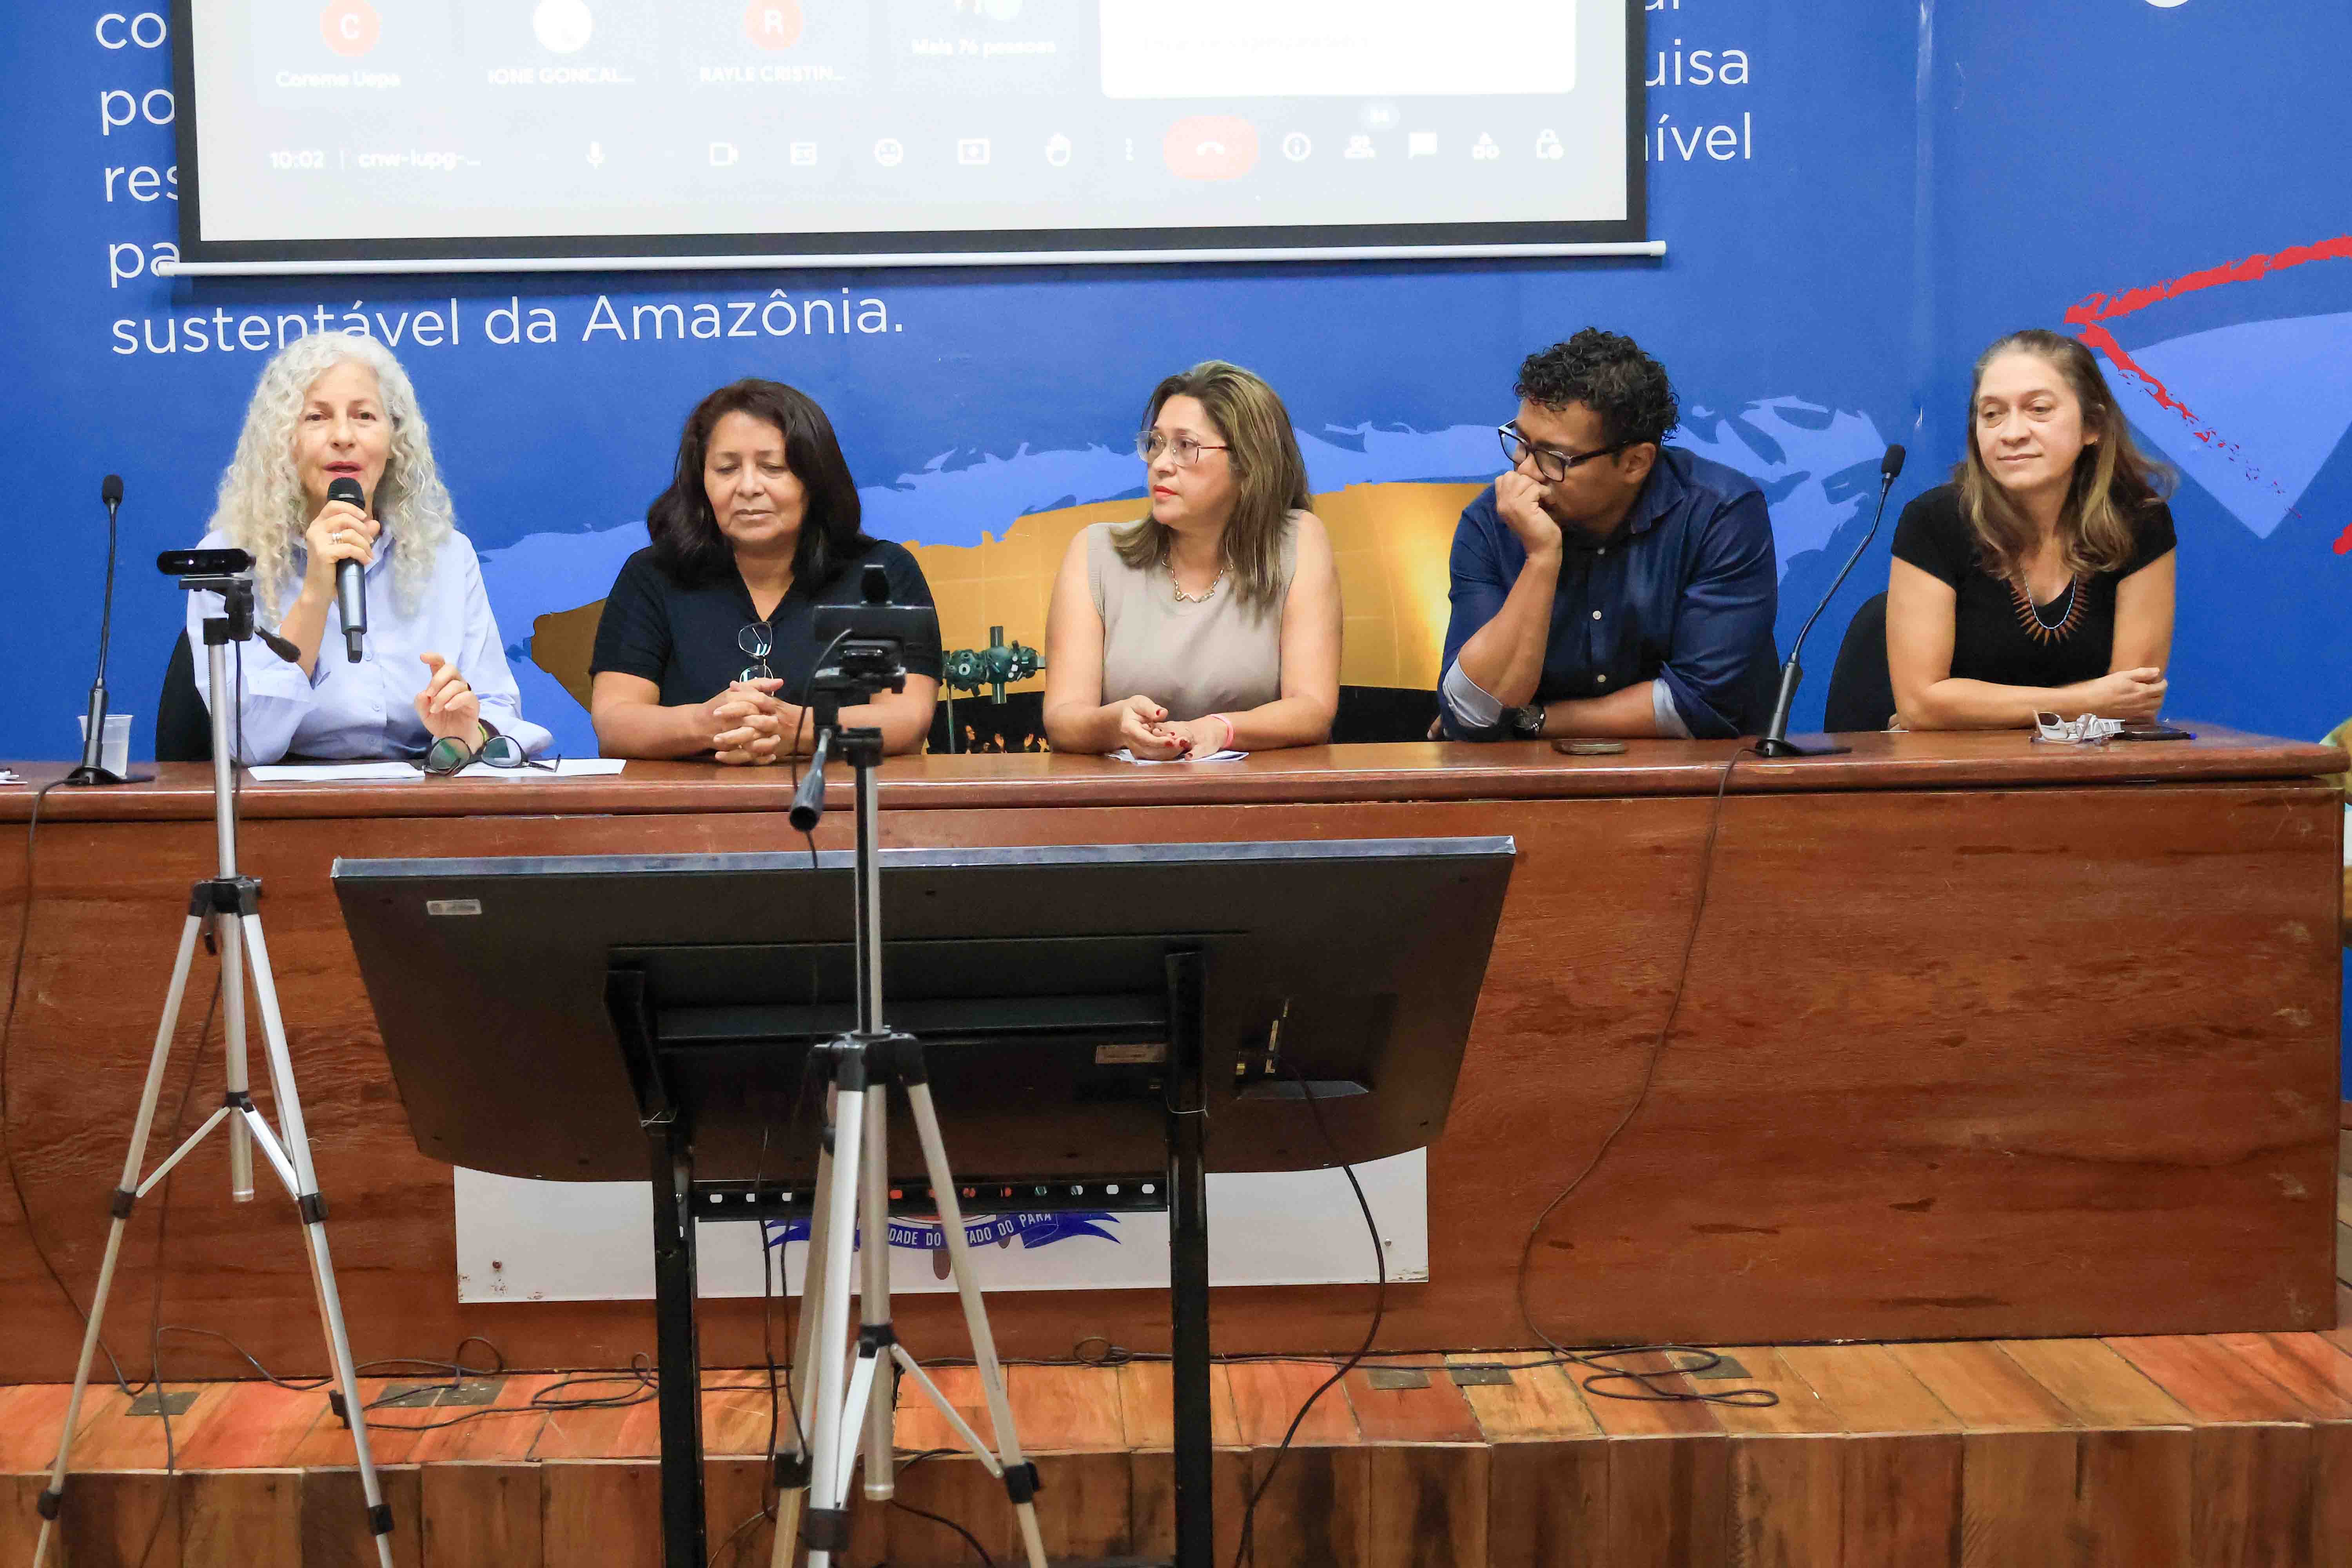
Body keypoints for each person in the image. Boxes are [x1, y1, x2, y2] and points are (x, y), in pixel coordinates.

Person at [189, 333, 551, 766]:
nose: (344, 436)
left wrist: (467, 733)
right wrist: (316, 593)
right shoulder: (229, 561)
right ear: (283, 440)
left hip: (425, 791)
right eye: (317, 417)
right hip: (285, 799)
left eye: (364, 416)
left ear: (394, 440)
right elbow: (248, 744)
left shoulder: (446, 554)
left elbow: (498, 708)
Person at [1440, 329, 1779, 741]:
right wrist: (1542, 560)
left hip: (1700, 775)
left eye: (1552, 457)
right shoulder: (1492, 521)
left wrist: (1534, 720)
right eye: (1522, 443)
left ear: (1635, 463)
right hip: (1534, 777)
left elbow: (1700, 705)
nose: (1525, 471)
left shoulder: (1720, 513)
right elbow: (1470, 716)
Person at [591, 379, 940, 763]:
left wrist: (794, 729)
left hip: (841, 796)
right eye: (727, 469)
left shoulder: (883, 571)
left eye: (773, 468)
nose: (748, 487)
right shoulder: (653, 574)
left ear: (815, 479)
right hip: (692, 800)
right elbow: (615, 724)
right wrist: (708, 724)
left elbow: (908, 719)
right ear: (701, 482)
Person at [1042, 361, 1341, 758]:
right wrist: (1117, 725)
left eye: (1185, 446)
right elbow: (1064, 719)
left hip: (1258, 791)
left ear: (1249, 463)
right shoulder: (1096, 552)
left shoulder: (1298, 541)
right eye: (1156, 443)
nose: (1161, 464)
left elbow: (1312, 710)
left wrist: (1217, 730)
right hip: (1125, 792)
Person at [1885, 328, 2176, 730]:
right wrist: (2087, 700)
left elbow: (2132, 702)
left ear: (2092, 426)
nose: (2012, 433)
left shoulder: (2139, 521)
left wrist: (1967, 707)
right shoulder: (1934, 521)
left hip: (2092, 766)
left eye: (2038, 409)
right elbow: (1920, 705)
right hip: (1957, 765)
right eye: (1992, 414)